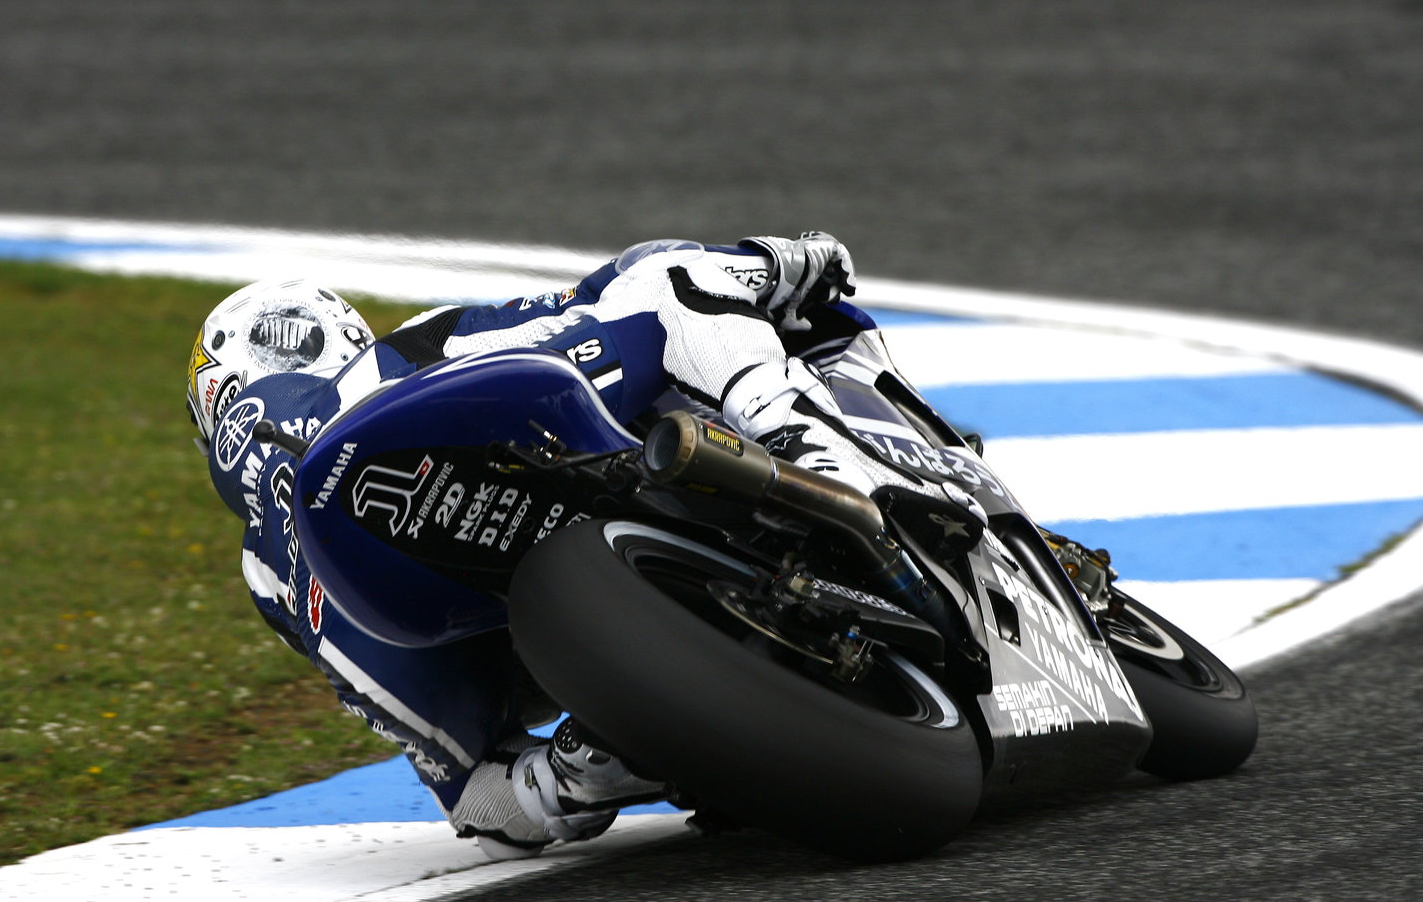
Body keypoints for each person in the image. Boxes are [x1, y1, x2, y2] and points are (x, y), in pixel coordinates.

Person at [187, 233, 1001, 859]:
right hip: (498, 476)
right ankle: (796, 431)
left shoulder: (265, 571)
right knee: (663, 274)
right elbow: (589, 300)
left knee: (485, 798)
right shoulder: (397, 355)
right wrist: (778, 263)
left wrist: (527, 785)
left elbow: (475, 805)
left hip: (419, 623)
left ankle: (575, 774)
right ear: (320, 334)